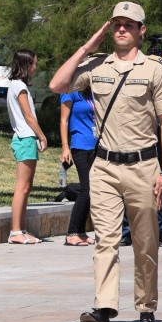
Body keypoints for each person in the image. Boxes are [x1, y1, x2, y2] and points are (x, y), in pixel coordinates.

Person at [49, 2, 162, 322]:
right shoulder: (96, 65)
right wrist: (87, 47)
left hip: (143, 166)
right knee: (105, 240)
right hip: (104, 166)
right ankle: (103, 310)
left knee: (145, 242)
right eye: (117, 23)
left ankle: (146, 307)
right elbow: (57, 85)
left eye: (129, 24)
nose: (122, 29)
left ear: (141, 31)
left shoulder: (157, 69)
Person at [6, 49, 48, 245]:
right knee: (22, 187)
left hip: (26, 139)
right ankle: (15, 231)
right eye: (34, 63)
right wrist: (42, 136)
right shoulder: (19, 87)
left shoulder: (18, 86)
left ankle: (21, 229)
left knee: (26, 187)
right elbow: (28, 116)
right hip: (25, 138)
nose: (35, 67)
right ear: (26, 65)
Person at [59, 83, 97, 246]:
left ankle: (81, 232)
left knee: (92, 190)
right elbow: (64, 120)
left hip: (96, 145)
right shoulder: (70, 91)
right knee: (86, 190)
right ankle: (72, 233)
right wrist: (65, 147)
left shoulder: (92, 92)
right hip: (80, 146)